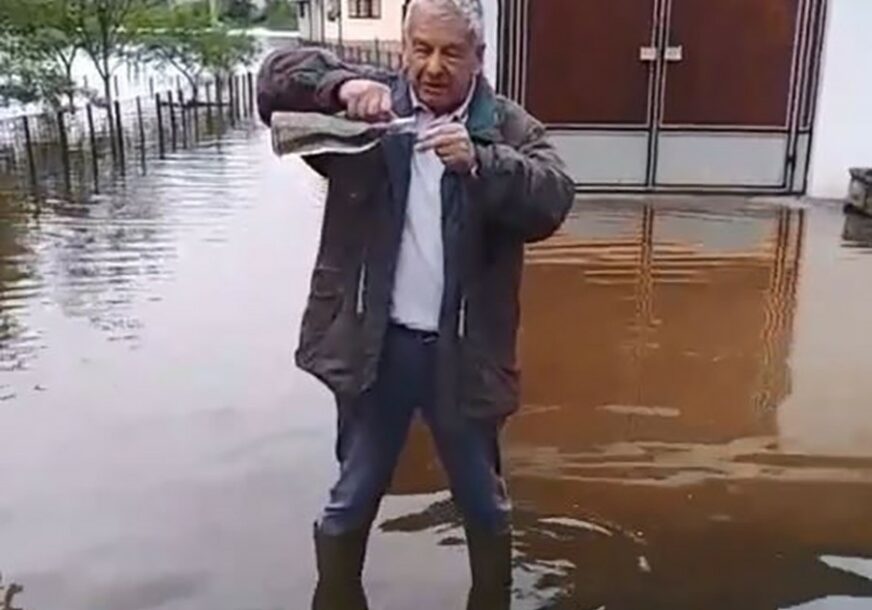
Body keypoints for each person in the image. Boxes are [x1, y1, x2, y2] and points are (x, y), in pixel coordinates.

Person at [256, 0, 574, 607]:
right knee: (351, 496)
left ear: (479, 59)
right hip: (378, 348)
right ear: (403, 50)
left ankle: (492, 595)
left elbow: (553, 200)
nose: (432, 66)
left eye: (451, 52)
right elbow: (273, 81)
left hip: (465, 355)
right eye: (421, 49)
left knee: (483, 501)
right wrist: (341, 84)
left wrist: (480, 163)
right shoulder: (370, 108)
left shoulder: (506, 128)